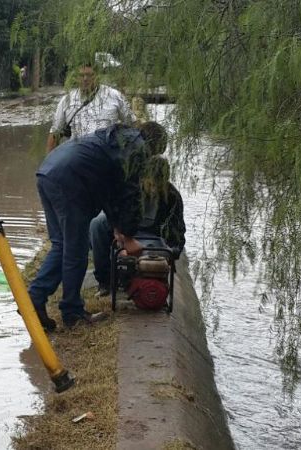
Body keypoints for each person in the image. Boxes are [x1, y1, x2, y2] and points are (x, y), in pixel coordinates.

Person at [29, 122, 166, 330]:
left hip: (49, 170)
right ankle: (73, 313)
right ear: (154, 146)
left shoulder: (119, 138)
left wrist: (117, 228)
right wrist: (128, 238)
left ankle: (35, 297)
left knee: (61, 244)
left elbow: (110, 189)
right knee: (76, 248)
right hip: (71, 180)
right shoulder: (137, 147)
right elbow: (128, 192)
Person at [89, 154, 186, 296]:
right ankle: (105, 282)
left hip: (152, 238)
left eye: (158, 185)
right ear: (143, 178)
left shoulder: (173, 197)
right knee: (97, 224)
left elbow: (177, 231)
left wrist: (172, 252)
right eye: (151, 184)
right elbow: (114, 213)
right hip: (127, 231)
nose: (154, 189)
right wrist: (121, 241)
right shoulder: (130, 189)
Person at [46, 63, 135, 152]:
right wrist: (48, 163)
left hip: (107, 156)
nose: (85, 79)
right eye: (81, 75)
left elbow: (132, 123)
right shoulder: (66, 100)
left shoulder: (114, 95)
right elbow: (55, 133)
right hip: (78, 156)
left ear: (97, 76)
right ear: (76, 78)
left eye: (89, 75)